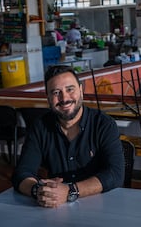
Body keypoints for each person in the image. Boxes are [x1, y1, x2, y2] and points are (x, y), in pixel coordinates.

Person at [12, 65, 124, 208]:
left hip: (102, 205)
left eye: (70, 89)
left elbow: (115, 174)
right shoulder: (40, 127)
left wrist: (71, 191)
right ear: (48, 98)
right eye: (56, 92)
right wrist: (38, 191)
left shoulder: (104, 124)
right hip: (57, 208)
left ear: (81, 91)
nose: (64, 98)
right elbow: (21, 173)